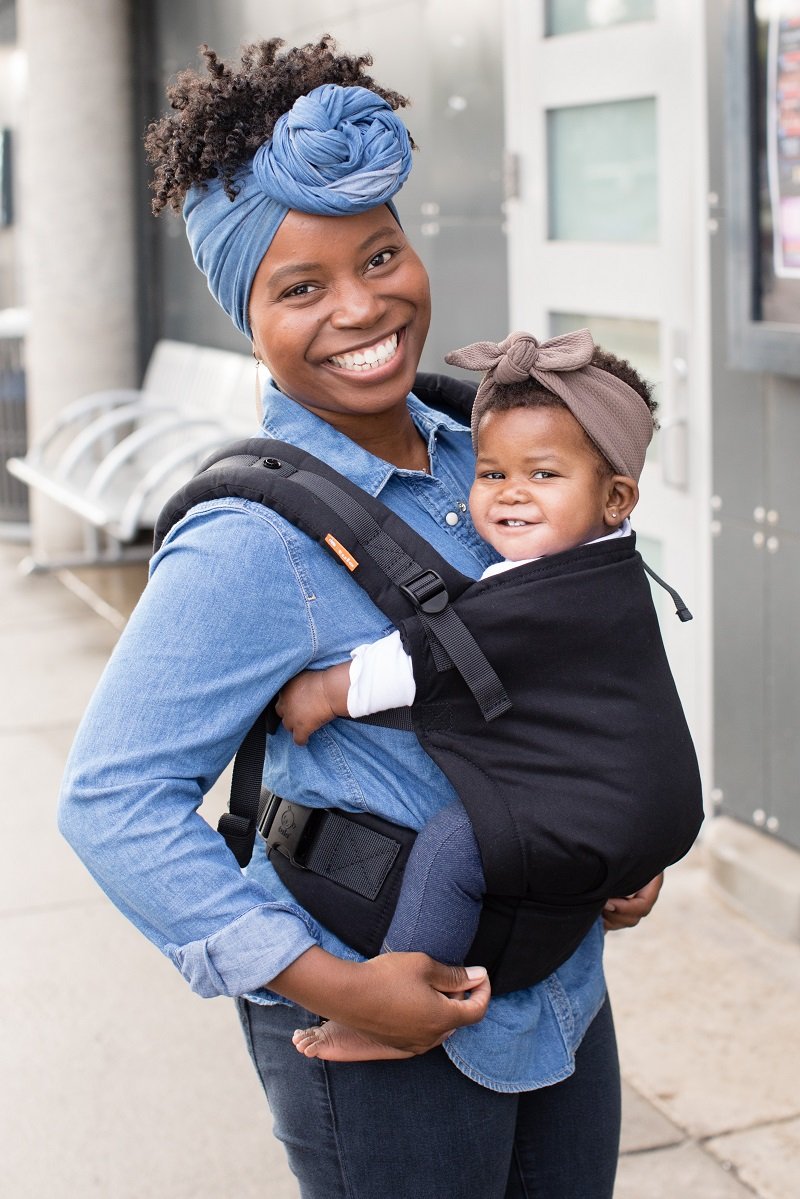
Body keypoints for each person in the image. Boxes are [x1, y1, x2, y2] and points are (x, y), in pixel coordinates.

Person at [58, 37, 662, 1199]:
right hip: (381, 1035)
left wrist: (615, 841)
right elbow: (111, 800)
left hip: (559, 987)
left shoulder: (480, 456)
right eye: (301, 286)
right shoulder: (249, 536)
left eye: (379, 253)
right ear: (248, 314)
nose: (362, 304)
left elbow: (573, 661)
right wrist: (332, 986)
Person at [277, 327, 699, 1066]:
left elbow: (434, 656)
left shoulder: (545, 587)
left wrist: (327, 692)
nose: (509, 495)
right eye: (492, 472)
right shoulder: (610, 565)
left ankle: (398, 1004)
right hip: (644, 799)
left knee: (455, 844)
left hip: (607, 805)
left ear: (615, 497)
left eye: (542, 475)